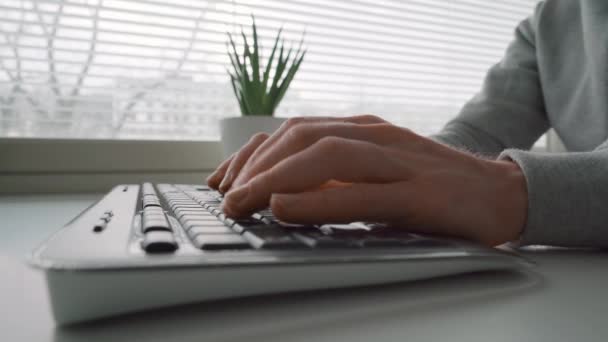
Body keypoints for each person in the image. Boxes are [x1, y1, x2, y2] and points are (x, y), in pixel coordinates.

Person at [207, 0, 608, 247]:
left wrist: (511, 190)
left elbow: (491, 183)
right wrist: (380, 167)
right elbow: (476, 135)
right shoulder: (549, 19)